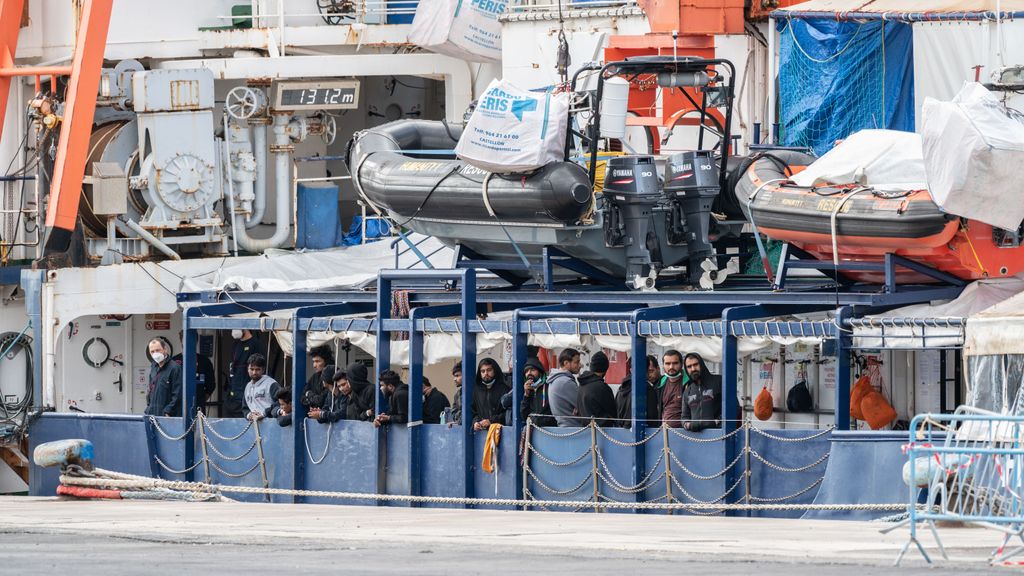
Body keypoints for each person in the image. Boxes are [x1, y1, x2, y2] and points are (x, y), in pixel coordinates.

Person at [680, 352, 725, 432]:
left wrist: (716, 422)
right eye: (689, 367)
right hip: (696, 439)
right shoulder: (687, 390)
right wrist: (689, 425)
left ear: (702, 364)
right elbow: (684, 417)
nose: (693, 369)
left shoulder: (719, 381)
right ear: (686, 370)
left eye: (696, 364)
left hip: (719, 435)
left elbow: (734, 407)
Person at [616, 355, 662, 428]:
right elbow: (652, 418)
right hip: (643, 433)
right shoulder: (647, 389)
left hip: (620, 432)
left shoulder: (621, 388)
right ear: (646, 370)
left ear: (631, 370)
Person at [226, 329, 263, 418]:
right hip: (233, 394)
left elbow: (259, 370)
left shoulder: (255, 344)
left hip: (248, 395)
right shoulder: (235, 344)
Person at [575, 351, 618, 427]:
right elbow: (613, 413)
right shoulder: (603, 388)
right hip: (602, 432)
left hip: (584, 431)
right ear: (605, 369)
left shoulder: (581, 384)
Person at [171, 331, 216, 404]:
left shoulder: (204, 361)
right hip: (177, 404)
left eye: (191, 339)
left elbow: (211, 384)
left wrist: (201, 399)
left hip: (198, 402)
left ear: (196, 341)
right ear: (181, 340)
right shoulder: (174, 361)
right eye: (185, 339)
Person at [145, 337, 182, 417]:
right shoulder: (153, 367)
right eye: (152, 351)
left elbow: (178, 394)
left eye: (158, 350)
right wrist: (148, 408)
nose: (155, 353)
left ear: (165, 349)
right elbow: (150, 389)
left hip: (167, 417)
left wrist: (168, 411)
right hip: (152, 414)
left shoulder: (175, 368)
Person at [471, 358, 510, 431]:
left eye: (489, 370)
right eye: (483, 371)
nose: (486, 373)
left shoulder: (505, 389)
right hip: (481, 432)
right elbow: (473, 411)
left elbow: (508, 413)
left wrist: (491, 421)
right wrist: (475, 422)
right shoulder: (476, 391)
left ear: (495, 371)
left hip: (501, 431)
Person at [547, 348, 582, 426]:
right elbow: (583, 405)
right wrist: (580, 408)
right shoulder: (565, 382)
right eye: (576, 362)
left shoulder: (555, 379)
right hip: (573, 428)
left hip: (564, 426)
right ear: (566, 363)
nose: (580, 365)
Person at [243, 353, 280, 421]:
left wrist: (264, 414)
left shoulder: (271, 384)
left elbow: (280, 403)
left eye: (257, 369)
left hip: (271, 423)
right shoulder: (247, 386)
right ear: (247, 369)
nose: (254, 372)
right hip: (254, 425)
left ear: (263, 370)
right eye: (251, 369)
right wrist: (249, 415)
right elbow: (245, 408)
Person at [521, 357, 556, 427]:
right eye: (526, 371)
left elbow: (554, 412)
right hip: (534, 431)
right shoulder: (529, 390)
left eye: (532, 370)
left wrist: (538, 421)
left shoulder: (549, 386)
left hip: (550, 430)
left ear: (540, 372)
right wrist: (526, 395)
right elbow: (524, 416)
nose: (529, 373)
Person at [301, 344, 334, 409]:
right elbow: (302, 399)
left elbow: (321, 401)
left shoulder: (333, 375)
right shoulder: (314, 377)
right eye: (313, 361)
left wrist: (309, 394)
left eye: (317, 361)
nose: (314, 365)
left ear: (326, 361)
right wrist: (314, 399)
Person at [659, 350, 686, 428]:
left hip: (685, 432)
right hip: (663, 431)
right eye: (667, 363)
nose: (671, 367)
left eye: (675, 363)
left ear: (681, 364)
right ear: (663, 365)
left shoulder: (690, 383)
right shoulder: (660, 384)